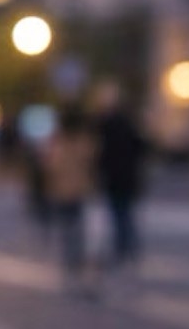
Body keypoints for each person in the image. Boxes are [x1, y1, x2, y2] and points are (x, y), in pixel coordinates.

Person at [92, 82, 149, 268]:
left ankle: (124, 247)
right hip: (127, 177)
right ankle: (128, 247)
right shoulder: (129, 124)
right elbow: (141, 148)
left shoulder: (105, 125)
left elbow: (99, 153)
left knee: (119, 214)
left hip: (115, 177)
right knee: (124, 214)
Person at [42, 120, 97, 291]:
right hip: (79, 191)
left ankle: (70, 262)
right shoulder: (84, 143)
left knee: (67, 230)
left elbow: (51, 165)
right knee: (77, 230)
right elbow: (92, 161)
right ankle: (76, 261)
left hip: (63, 191)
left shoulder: (59, 144)